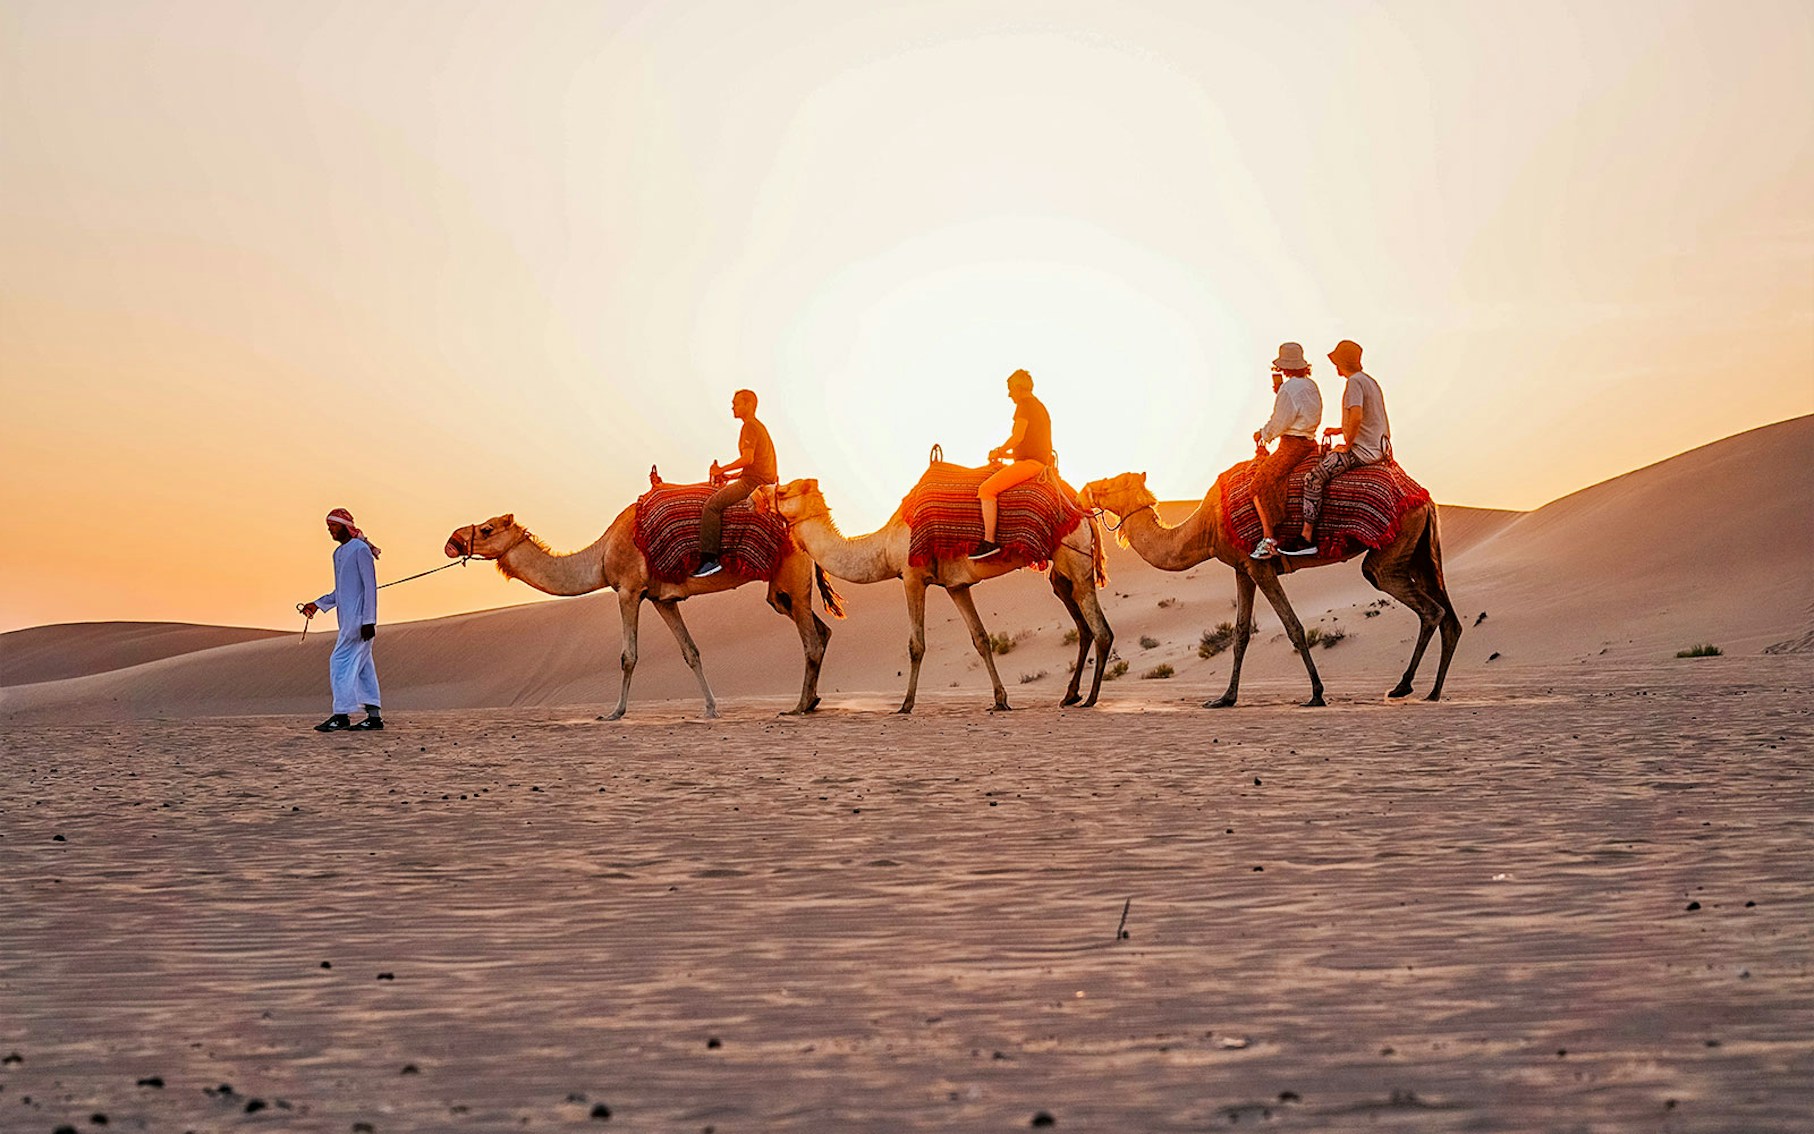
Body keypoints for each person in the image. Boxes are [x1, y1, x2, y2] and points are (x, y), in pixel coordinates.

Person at [1299, 339, 1392, 547]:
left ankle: (1306, 536)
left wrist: (1347, 445)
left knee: (1313, 478)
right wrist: (1340, 430)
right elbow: (1369, 418)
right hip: (1379, 447)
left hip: (1362, 451)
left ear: (1341, 362)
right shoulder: (1369, 381)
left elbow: (1357, 416)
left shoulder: (1354, 383)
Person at [299, 508, 383, 732]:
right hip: (347, 621)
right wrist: (317, 604)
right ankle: (374, 717)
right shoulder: (339, 553)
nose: (330, 531)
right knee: (364, 667)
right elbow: (341, 591)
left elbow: (370, 587)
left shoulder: (360, 550)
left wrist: (369, 620)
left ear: (345, 526)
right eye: (328, 527)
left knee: (339, 663)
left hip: (359, 621)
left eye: (333, 526)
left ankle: (341, 715)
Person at [1248, 342, 1323, 559]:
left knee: (1258, 485)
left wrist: (1262, 434)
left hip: (1292, 445)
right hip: (1309, 442)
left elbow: (1280, 421)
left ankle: (1268, 540)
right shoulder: (1311, 385)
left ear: (1283, 367)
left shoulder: (1289, 389)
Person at [693, 389, 778, 577]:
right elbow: (753, 465)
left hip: (753, 484)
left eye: (736, 403)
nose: (732, 406)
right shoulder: (758, 427)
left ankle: (709, 560)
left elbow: (747, 459)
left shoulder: (749, 427)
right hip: (758, 479)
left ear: (749, 405)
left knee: (711, 506)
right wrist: (729, 477)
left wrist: (721, 470)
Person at [971, 368, 1053, 560]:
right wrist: (1005, 456)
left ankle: (989, 542)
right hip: (1037, 462)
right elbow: (1028, 445)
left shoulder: (1024, 405)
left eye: (1010, 389)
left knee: (986, 490)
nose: (1009, 395)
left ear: (1018, 387)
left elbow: (1017, 437)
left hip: (1031, 465)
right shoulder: (1039, 406)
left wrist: (999, 450)